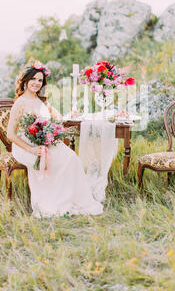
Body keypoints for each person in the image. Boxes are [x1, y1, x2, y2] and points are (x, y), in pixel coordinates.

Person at [7, 60, 103, 218]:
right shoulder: (20, 103)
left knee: (72, 158)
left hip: (43, 140)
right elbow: (10, 134)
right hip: (26, 144)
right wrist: (31, 149)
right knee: (56, 160)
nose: (37, 83)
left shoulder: (40, 100)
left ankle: (71, 200)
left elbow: (56, 119)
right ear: (26, 80)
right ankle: (53, 203)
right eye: (34, 79)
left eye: (40, 80)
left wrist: (68, 117)